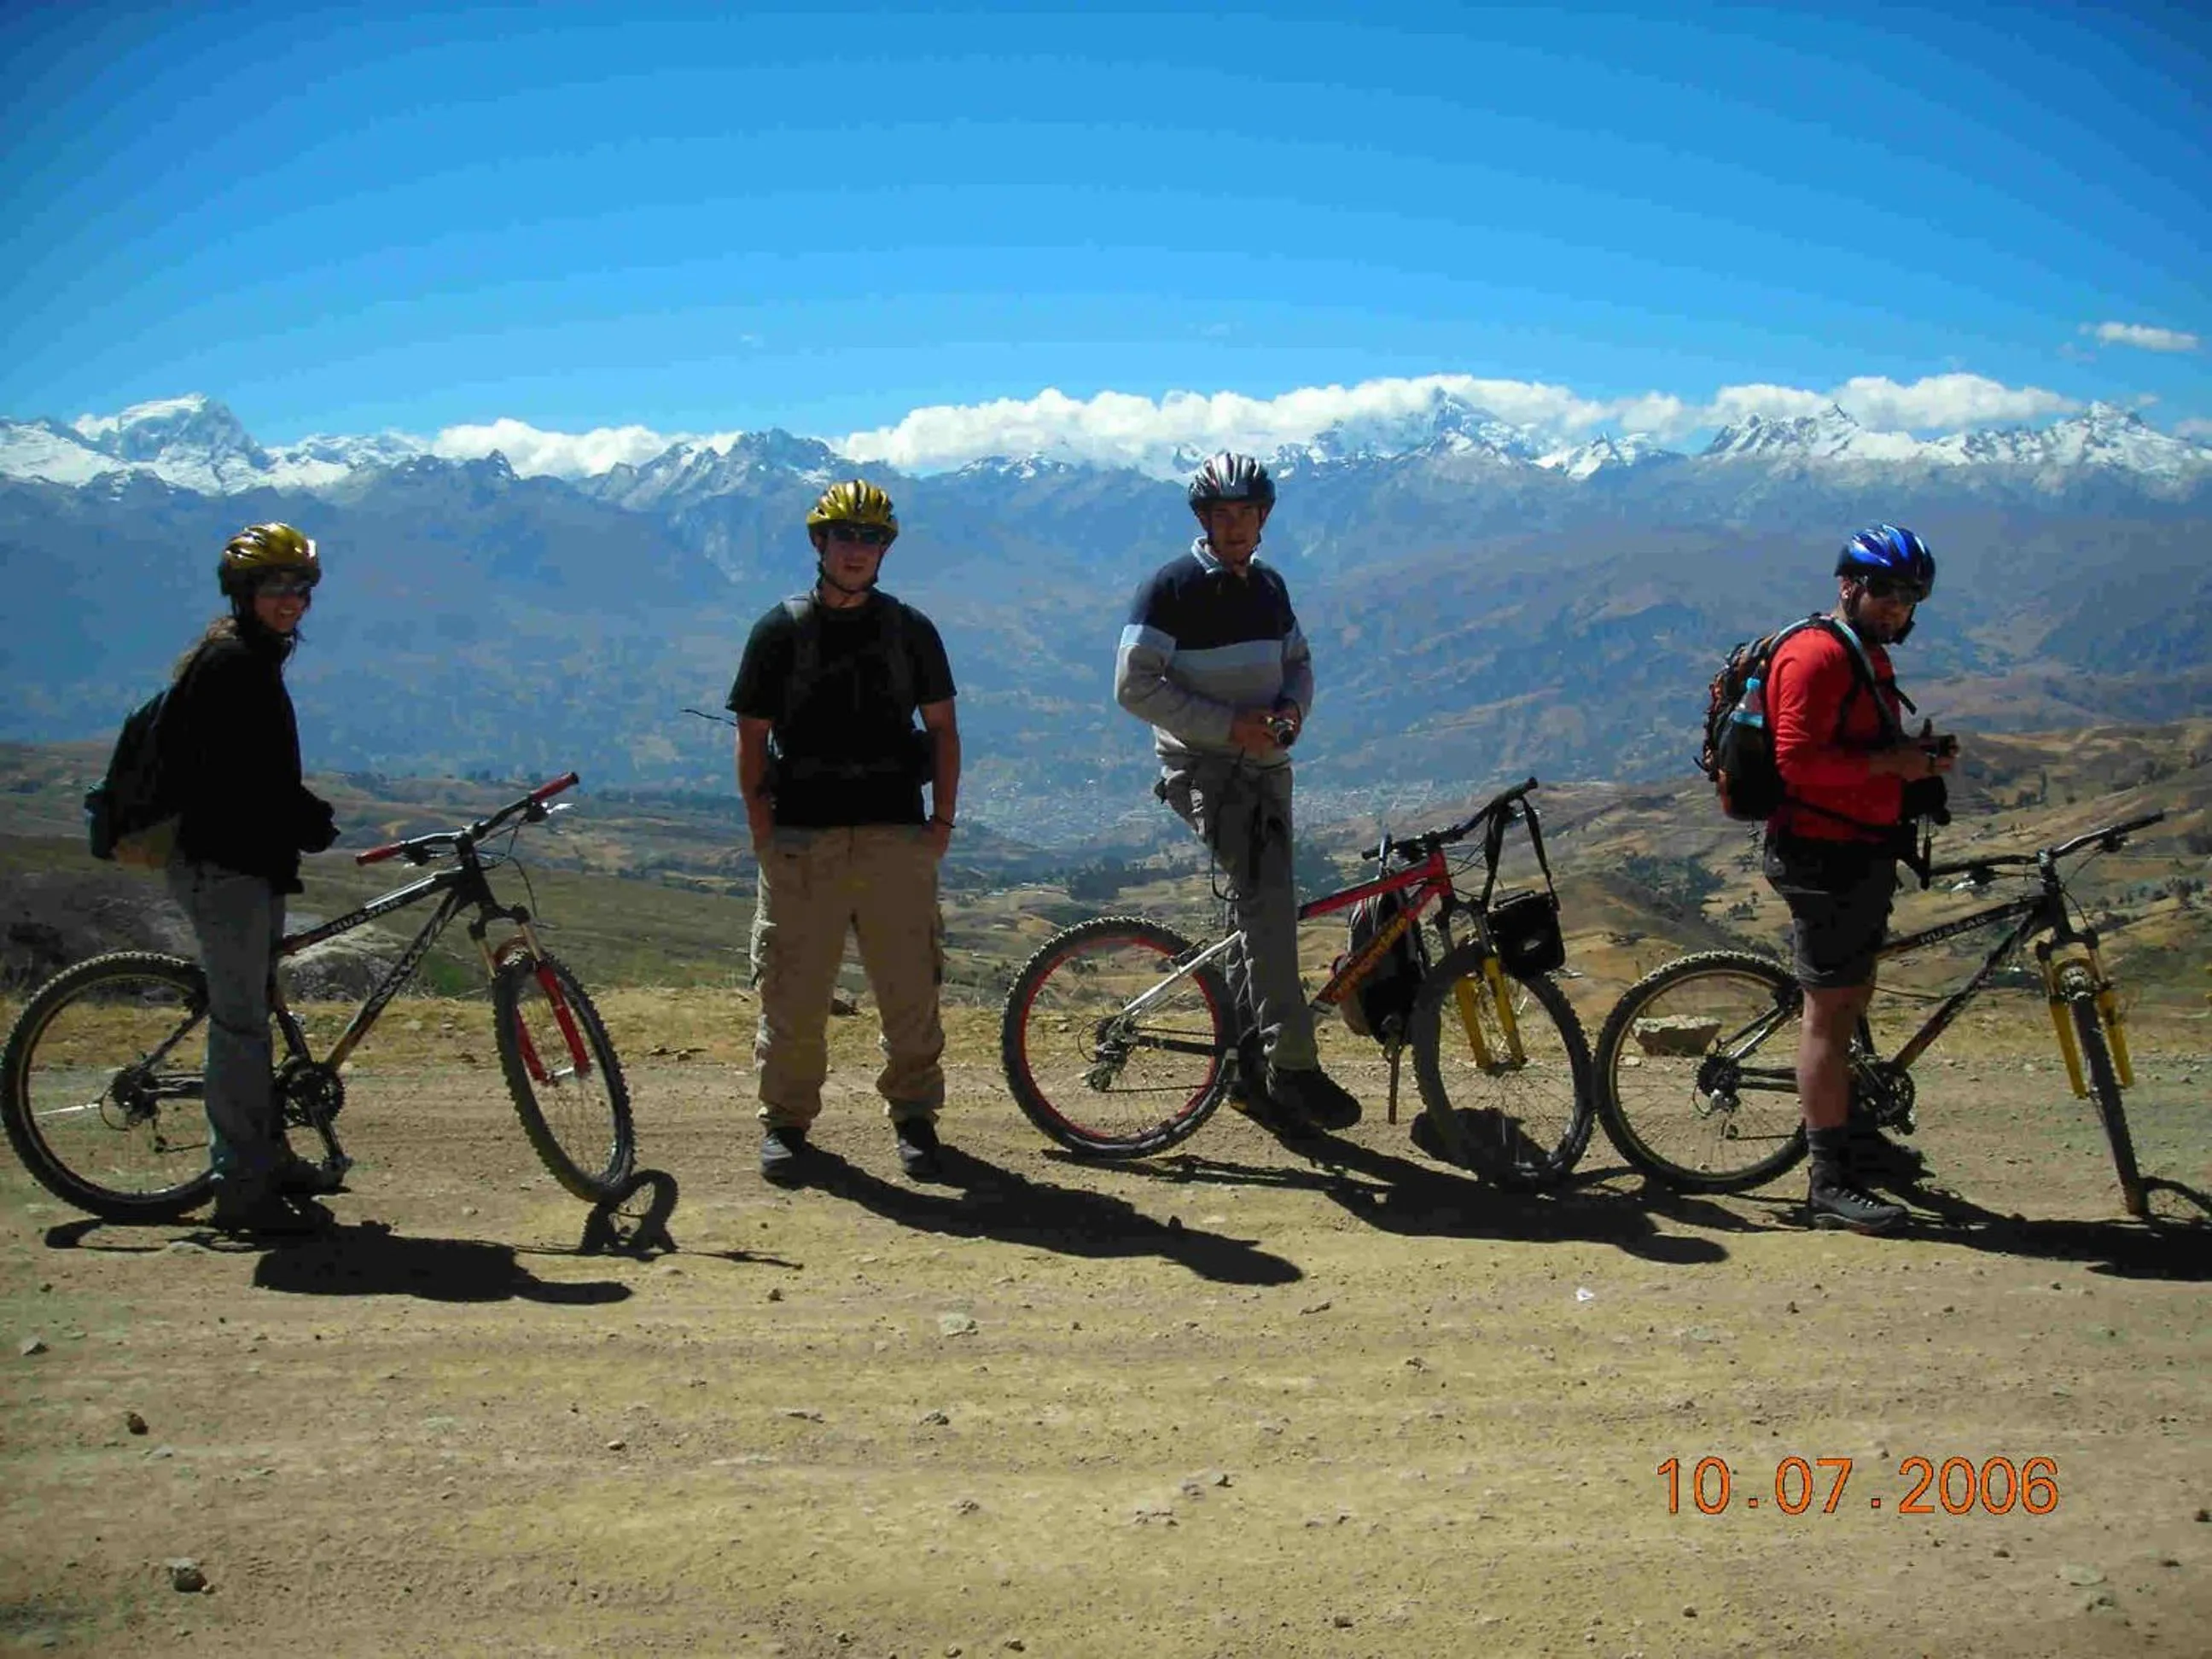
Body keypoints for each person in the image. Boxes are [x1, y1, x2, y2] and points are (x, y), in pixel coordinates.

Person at [1113, 451, 1362, 1138]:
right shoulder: (1170, 589)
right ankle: (1294, 1067)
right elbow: (1133, 686)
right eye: (1222, 515)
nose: (1235, 527)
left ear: (1263, 518)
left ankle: (1248, 1070)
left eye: (1246, 514)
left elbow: (1298, 663)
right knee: (1268, 907)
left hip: (1266, 765)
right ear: (1204, 519)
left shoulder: (1270, 589)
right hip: (1206, 771)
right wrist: (1229, 727)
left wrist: (1291, 710)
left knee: (1254, 915)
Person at [727, 480, 961, 1184]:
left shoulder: (911, 630)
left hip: (896, 834)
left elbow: (944, 730)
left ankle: (916, 1119)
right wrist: (762, 829)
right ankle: (787, 1125)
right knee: (794, 994)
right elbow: (750, 736)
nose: (858, 550)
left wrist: (941, 823)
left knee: (910, 989)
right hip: (803, 837)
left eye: (872, 538)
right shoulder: (778, 630)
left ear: (885, 548)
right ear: (818, 542)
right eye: (846, 536)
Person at [1765, 523, 1958, 1234]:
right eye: (1884, 590)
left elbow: (1853, 745)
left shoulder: (1862, 652)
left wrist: (1913, 759)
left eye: (1910, 596)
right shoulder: (1817, 655)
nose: (1896, 607)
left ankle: (1850, 1136)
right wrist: (1894, 768)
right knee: (1830, 1014)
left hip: (1859, 848)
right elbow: (1797, 764)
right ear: (1848, 584)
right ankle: (1828, 1181)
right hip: (1823, 856)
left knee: (1850, 1003)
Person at [164, 523, 342, 1236]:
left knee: (256, 1014)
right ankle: (242, 1191)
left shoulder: (254, 656)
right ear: (243, 592)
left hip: (250, 862)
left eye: (300, 588)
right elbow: (236, 778)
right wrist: (303, 816)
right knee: (240, 1026)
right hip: (224, 865)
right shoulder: (233, 663)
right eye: (275, 587)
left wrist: (295, 817)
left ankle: (265, 1155)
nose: (290, 600)